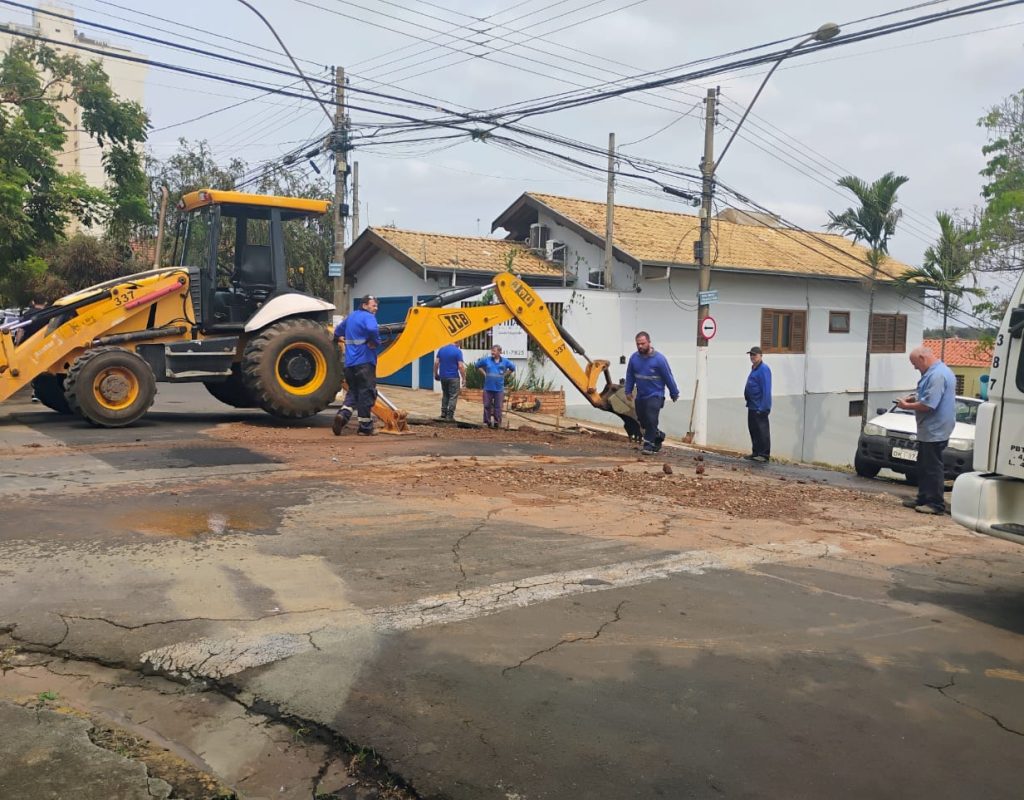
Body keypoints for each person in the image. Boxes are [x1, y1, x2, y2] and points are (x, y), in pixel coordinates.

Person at [896, 345, 956, 515]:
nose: (915, 367)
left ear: (922, 358)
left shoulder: (937, 375)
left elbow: (929, 405)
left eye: (915, 363)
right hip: (929, 429)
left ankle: (935, 504)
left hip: (935, 429)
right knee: (923, 465)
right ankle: (923, 497)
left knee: (932, 467)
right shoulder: (935, 373)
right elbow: (926, 396)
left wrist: (906, 405)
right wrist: (914, 398)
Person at [624, 331, 679, 455]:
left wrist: (674, 392)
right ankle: (658, 435)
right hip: (641, 395)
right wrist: (628, 390)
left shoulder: (659, 360)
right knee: (643, 421)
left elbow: (668, 377)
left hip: (656, 395)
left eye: (642, 343)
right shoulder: (634, 358)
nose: (640, 346)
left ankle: (648, 444)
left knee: (651, 417)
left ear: (649, 342)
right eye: (638, 344)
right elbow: (630, 375)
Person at [332, 296, 380, 436]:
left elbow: (337, 331)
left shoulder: (351, 317)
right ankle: (365, 427)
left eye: (376, 306)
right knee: (366, 393)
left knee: (354, 391)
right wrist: (375, 342)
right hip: (365, 362)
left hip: (350, 364)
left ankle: (343, 414)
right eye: (373, 305)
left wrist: (337, 338)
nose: (376, 308)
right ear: (365, 306)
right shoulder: (368, 317)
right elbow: (372, 329)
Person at [474, 345, 515, 429]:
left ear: (499, 352)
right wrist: (484, 374)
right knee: (487, 406)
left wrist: (504, 375)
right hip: (488, 388)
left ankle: (497, 423)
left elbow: (512, 368)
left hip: (499, 388)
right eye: (492, 351)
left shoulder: (505, 362)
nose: (492, 353)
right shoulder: (486, 360)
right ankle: (487, 422)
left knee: (498, 407)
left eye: (494, 351)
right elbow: (477, 365)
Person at [743, 346, 773, 463]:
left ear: (761, 356)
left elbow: (766, 389)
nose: (752, 357)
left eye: (754, 355)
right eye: (751, 355)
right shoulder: (754, 368)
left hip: (760, 406)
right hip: (752, 405)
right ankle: (755, 452)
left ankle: (764, 454)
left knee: (762, 431)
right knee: (753, 430)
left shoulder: (764, 369)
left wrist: (764, 406)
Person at [435, 341, 466, 421]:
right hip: (453, 377)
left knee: (445, 395)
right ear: (458, 342)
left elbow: (436, 363)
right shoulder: (457, 351)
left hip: (443, 377)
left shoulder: (441, 349)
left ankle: (443, 413)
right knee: (453, 396)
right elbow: (460, 366)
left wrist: (436, 374)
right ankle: (450, 416)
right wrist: (464, 378)